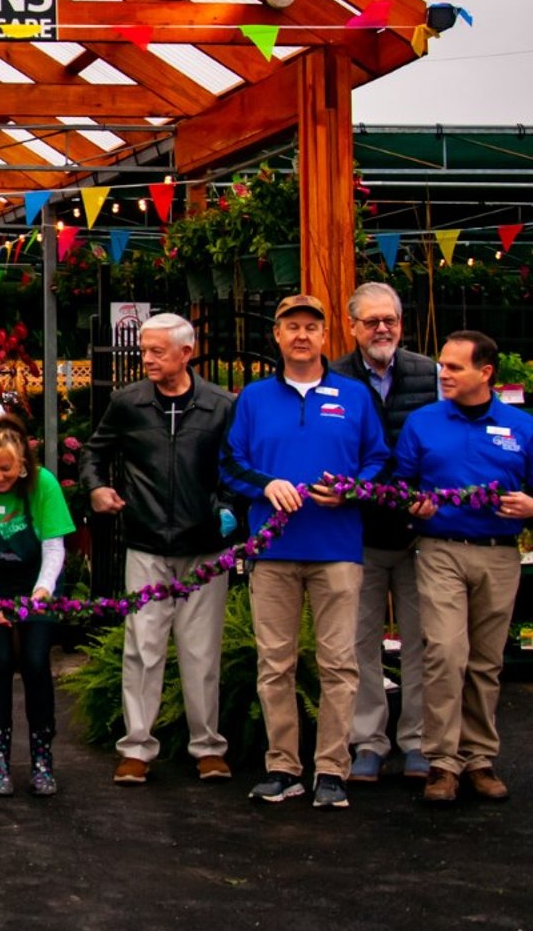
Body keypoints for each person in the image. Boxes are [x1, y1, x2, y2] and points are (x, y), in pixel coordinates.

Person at [222, 294, 388, 810]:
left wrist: (352, 489)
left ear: (324, 337)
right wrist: (265, 486)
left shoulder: (355, 396)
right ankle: (282, 767)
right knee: (276, 663)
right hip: (273, 550)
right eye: (291, 326)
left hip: (337, 547)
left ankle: (332, 769)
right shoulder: (252, 399)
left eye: (310, 328)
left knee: (340, 663)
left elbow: (379, 460)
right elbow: (230, 464)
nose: (301, 335)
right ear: (276, 335)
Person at [79, 313, 237, 785]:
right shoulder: (127, 403)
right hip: (145, 544)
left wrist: (228, 508)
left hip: (204, 549)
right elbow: (94, 451)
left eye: (156, 351)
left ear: (186, 353)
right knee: (142, 648)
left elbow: (236, 465)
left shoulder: (221, 405)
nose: (146, 359)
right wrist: (95, 488)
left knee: (202, 651)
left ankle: (208, 746)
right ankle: (137, 747)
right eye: (144, 350)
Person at [395, 330, 533, 805]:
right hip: (441, 550)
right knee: (445, 653)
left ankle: (479, 758)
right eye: (442, 365)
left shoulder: (521, 427)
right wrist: (413, 503)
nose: (443, 374)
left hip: (499, 553)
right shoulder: (423, 422)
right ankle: (442, 761)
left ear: (486, 373)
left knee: (486, 662)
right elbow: (401, 484)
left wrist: (532, 505)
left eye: (454, 367)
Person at [329, 282, 437, 784]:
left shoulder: (429, 373)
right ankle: (369, 740)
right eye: (371, 321)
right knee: (360, 642)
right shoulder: (335, 378)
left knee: (422, 641)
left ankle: (419, 740)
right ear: (352, 327)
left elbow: (446, 438)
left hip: (421, 532)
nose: (382, 329)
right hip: (358, 532)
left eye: (390, 319)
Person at [0, 412, 73, 795]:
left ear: (22, 463)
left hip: (38, 583)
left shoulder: (45, 487)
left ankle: (42, 758)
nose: (0, 478)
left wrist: (42, 592)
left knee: (37, 662)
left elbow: (54, 547)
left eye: (6, 469)